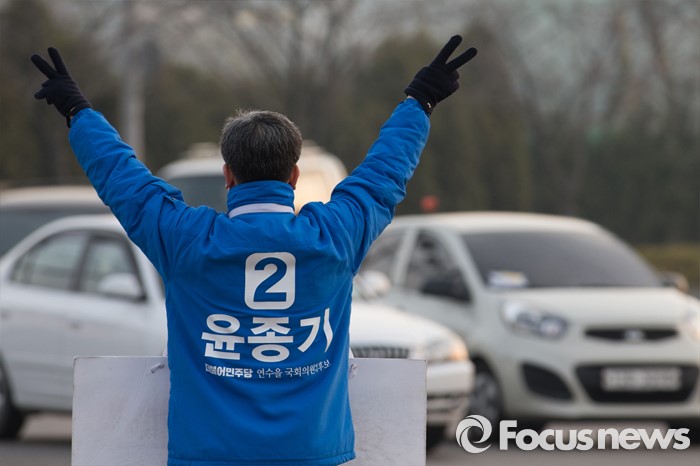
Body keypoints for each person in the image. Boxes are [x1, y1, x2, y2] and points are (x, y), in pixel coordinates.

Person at [31, 36, 476, 466]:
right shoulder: (334, 237)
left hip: (209, 456)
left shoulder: (186, 240)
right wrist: (420, 102)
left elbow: (123, 180)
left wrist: (78, 112)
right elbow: (382, 175)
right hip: (311, 454)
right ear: (294, 176)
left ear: (227, 175)